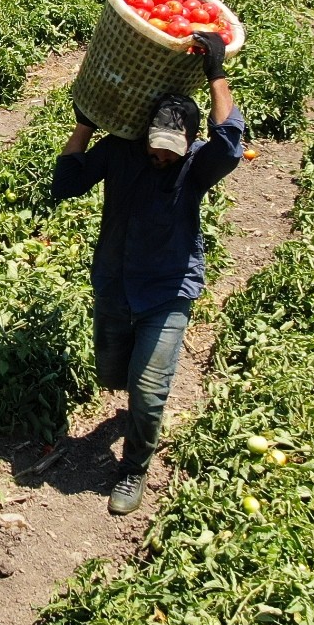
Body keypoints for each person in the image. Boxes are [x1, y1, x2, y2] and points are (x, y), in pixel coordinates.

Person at [53, 35, 243, 516]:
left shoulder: (197, 166)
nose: (162, 156)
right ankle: (131, 409)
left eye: (172, 149)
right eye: (156, 147)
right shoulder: (121, 151)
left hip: (167, 289)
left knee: (148, 389)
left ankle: (134, 468)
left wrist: (216, 73)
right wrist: (84, 126)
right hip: (115, 282)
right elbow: (67, 183)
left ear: (190, 143)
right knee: (112, 373)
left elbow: (230, 143)